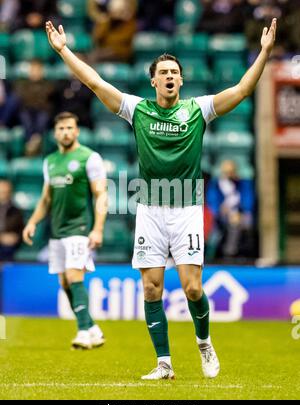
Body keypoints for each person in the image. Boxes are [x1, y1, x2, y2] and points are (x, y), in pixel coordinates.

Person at [45, 18, 276, 378]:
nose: (169, 76)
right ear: (153, 81)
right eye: (163, 72)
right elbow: (94, 81)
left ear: (181, 80)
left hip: (186, 209)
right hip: (150, 211)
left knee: (192, 287)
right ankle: (164, 364)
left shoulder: (198, 109)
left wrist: (263, 52)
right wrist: (63, 50)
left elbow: (243, 90)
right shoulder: (137, 110)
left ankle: (204, 342)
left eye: (174, 72)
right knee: (151, 289)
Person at [23, 112, 108, 350]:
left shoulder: (89, 158)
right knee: (65, 283)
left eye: (70, 128)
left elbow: (101, 194)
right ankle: (92, 328)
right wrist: (32, 222)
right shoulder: (49, 161)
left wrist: (98, 229)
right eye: (61, 129)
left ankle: (82, 333)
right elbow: (45, 199)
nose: (65, 132)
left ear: (77, 131)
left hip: (79, 227)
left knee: (74, 276)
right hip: (57, 230)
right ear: (55, 133)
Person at [206, 160, 255, 258]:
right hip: (221, 215)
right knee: (215, 232)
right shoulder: (216, 184)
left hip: (239, 214)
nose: (229, 175)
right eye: (226, 172)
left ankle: (234, 253)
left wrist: (241, 212)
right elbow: (212, 202)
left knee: (245, 223)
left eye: (231, 172)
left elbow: (248, 200)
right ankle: (213, 256)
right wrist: (222, 211)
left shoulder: (242, 184)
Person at [0, 178, 24, 262]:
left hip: (8, 247)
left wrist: (16, 238)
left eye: (7, 192)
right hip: (3, 241)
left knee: (7, 250)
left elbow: (21, 232)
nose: (4, 195)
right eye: (2, 192)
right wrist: (1, 237)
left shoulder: (16, 211)